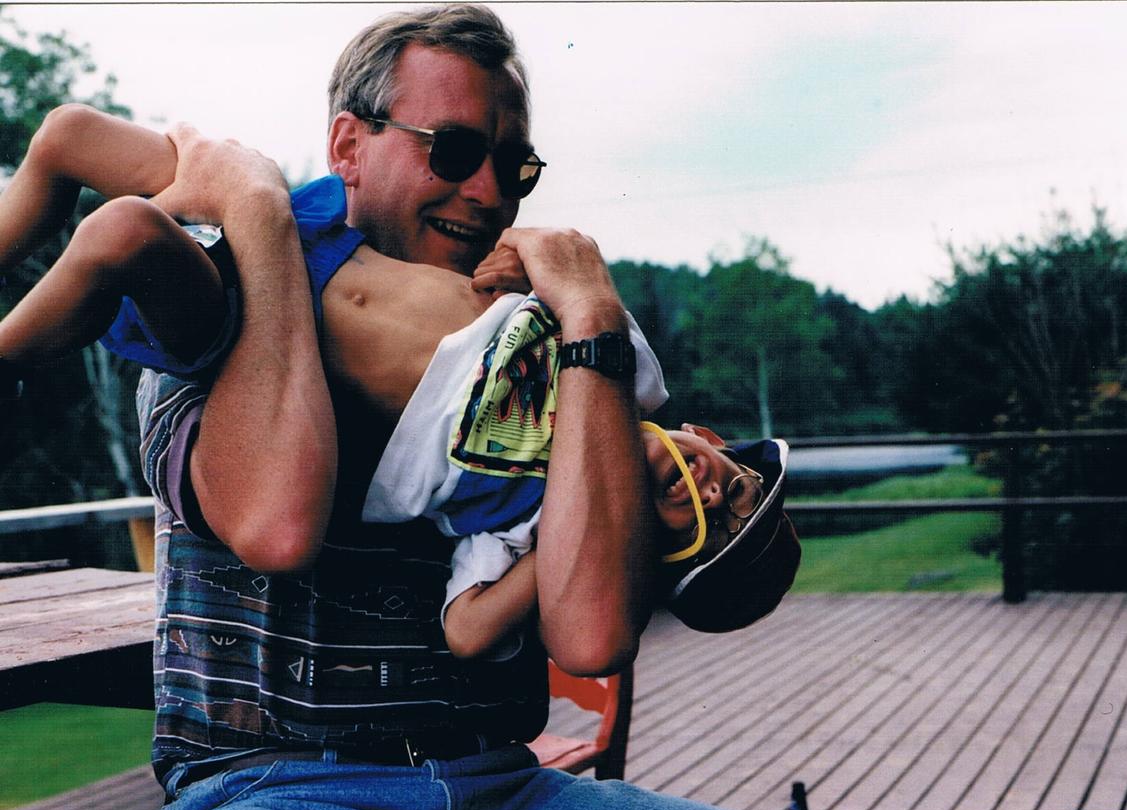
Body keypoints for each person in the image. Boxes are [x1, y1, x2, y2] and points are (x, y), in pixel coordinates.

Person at [14, 5, 793, 810]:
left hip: (503, 780)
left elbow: (587, 624)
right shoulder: (228, 308)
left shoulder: (554, 340)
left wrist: (588, 308)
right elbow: (272, 523)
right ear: (348, 146)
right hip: (282, 781)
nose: (489, 192)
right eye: (453, 151)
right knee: (82, 149)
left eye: (515, 167)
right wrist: (255, 209)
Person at [0, 105, 794, 660]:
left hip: (260, 333)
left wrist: (600, 543)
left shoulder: (543, 528)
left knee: (122, 234)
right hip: (318, 232)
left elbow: (470, 631)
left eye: (706, 524)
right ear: (714, 442)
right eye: (738, 487)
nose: (709, 490)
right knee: (70, 134)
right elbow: (540, 257)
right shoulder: (626, 363)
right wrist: (519, 255)